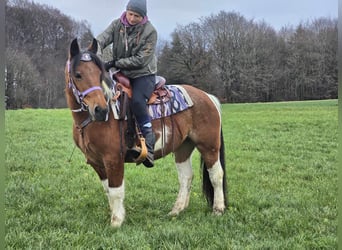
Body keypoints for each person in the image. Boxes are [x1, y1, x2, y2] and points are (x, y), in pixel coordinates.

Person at [96, 0, 157, 168]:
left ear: (143, 16)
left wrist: (115, 62)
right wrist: (96, 53)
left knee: (137, 101)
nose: (132, 18)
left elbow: (141, 59)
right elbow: (101, 39)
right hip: (120, 73)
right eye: (130, 13)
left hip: (143, 74)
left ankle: (149, 144)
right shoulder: (117, 25)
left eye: (136, 16)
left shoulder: (150, 32)